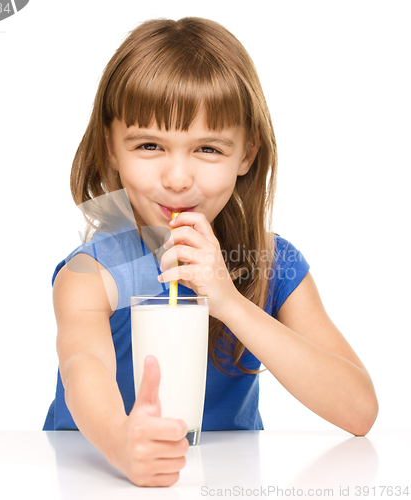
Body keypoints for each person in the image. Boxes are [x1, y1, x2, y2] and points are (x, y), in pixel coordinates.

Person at [43, 17, 378, 487]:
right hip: (95, 479)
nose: (178, 178)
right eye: (149, 145)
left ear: (247, 154)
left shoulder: (274, 265)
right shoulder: (89, 273)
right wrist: (122, 440)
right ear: (111, 149)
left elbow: (359, 410)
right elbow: (84, 368)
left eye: (207, 149)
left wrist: (229, 301)